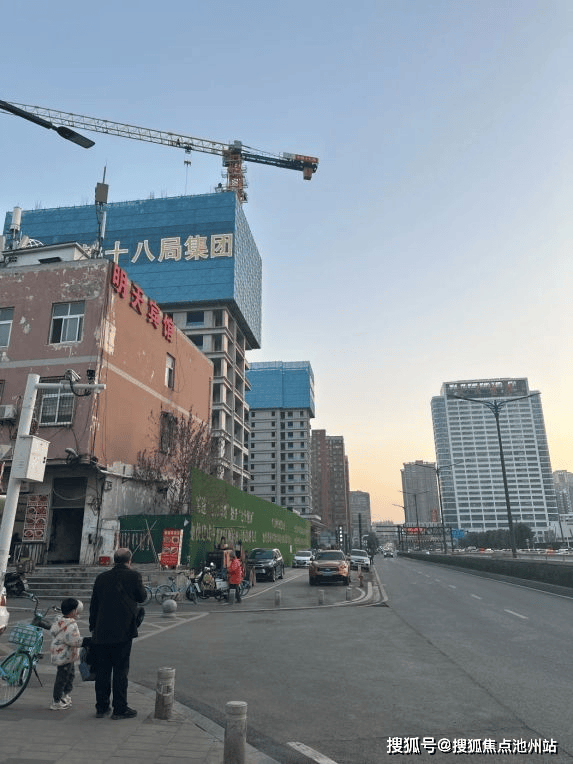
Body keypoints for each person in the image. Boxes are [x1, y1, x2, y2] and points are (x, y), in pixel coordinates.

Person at [89, 548, 147, 720]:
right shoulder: (134, 576)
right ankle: (119, 708)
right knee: (121, 670)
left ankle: (101, 707)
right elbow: (142, 597)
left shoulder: (101, 577)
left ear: (115, 560)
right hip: (123, 630)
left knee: (103, 670)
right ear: (129, 561)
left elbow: (94, 604)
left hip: (101, 630)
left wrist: (93, 626)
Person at [50, 597, 86, 710]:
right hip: (64, 656)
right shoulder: (70, 625)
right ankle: (56, 701)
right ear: (73, 611)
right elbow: (74, 641)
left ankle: (65, 696)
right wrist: (87, 641)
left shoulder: (61, 621)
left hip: (67, 656)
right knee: (62, 678)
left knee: (69, 676)